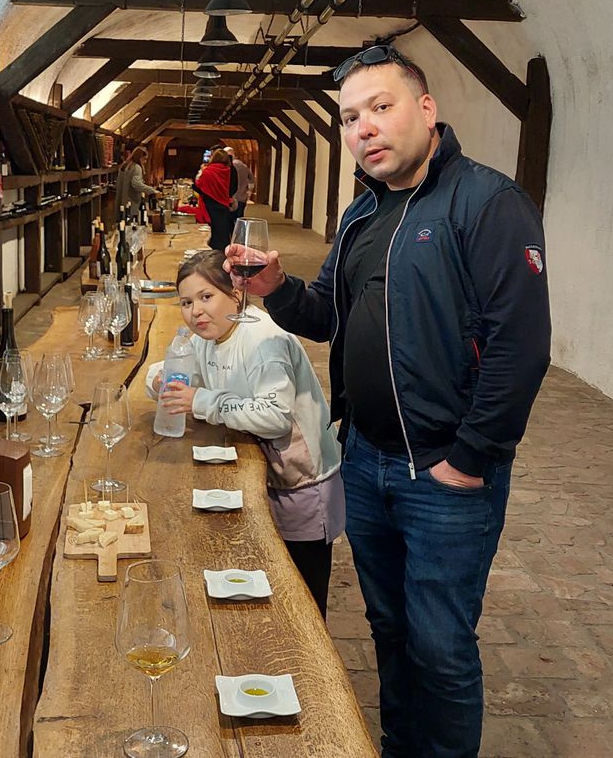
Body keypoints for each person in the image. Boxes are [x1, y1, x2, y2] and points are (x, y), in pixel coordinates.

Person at [229, 44, 551, 757]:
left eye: (381, 107)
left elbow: (521, 347)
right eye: (350, 117)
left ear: (426, 109)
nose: (364, 127)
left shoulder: (487, 203)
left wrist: (469, 460)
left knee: (440, 646)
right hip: (367, 461)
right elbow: (327, 315)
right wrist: (276, 287)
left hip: (441, 472)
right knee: (389, 628)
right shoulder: (361, 214)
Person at [148, 251, 343, 613]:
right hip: (259, 475)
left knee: (301, 597)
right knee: (259, 580)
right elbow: (180, 368)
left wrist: (202, 400)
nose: (196, 312)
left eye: (207, 297)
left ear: (236, 294)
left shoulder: (262, 340)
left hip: (300, 483)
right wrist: (158, 379)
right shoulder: (208, 336)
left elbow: (275, 417)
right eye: (186, 302)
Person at [194, 149, 236, 251]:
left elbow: (200, 186)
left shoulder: (208, 171)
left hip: (211, 205)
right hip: (224, 205)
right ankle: (223, 254)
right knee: (222, 234)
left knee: (213, 233)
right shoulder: (227, 170)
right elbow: (232, 187)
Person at [117, 146, 157, 217]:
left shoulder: (124, 166)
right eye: (144, 159)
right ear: (139, 157)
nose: (145, 162)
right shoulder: (136, 167)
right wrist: (152, 190)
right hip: (132, 201)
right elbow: (137, 185)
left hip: (122, 201)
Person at [227, 148, 253, 219]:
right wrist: (249, 191)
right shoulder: (244, 166)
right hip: (242, 196)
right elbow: (251, 178)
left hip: (231, 197)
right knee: (240, 217)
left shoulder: (229, 166)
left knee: (230, 218)